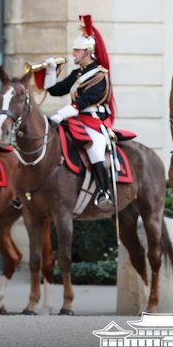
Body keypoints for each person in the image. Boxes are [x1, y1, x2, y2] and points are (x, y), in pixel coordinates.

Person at [43, 15, 116, 210]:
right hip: (76, 120)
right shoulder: (78, 73)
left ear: (88, 52)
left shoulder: (100, 75)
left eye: (77, 50)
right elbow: (56, 90)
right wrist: (50, 71)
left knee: (95, 148)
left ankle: (104, 191)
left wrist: (61, 114)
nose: (73, 54)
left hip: (93, 122)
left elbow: (83, 102)